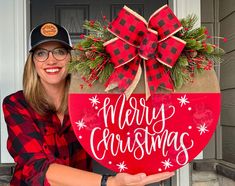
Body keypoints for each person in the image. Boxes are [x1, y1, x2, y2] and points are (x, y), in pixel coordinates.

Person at [2, 22, 174, 186]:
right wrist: (110, 182)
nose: (51, 60)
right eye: (41, 53)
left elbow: (125, 133)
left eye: (60, 52)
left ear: (71, 58)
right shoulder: (16, 104)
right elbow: (38, 169)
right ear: (32, 62)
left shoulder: (90, 102)